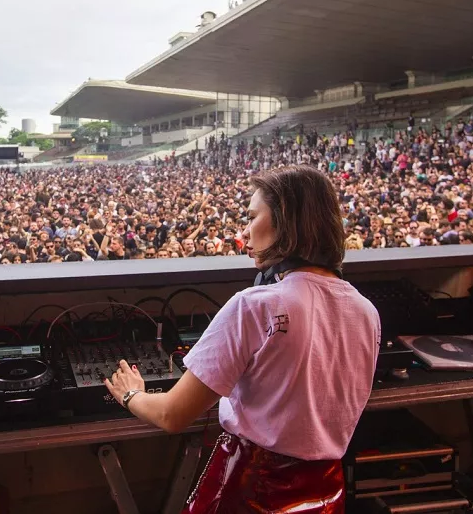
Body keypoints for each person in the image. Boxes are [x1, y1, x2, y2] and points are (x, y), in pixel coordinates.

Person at [104, 165, 380, 513]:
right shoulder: (366, 310)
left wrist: (131, 394)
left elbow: (172, 416)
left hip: (252, 489)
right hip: (327, 492)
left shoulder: (254, 306)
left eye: (252, 217)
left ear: (285, 222)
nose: (245, 232)